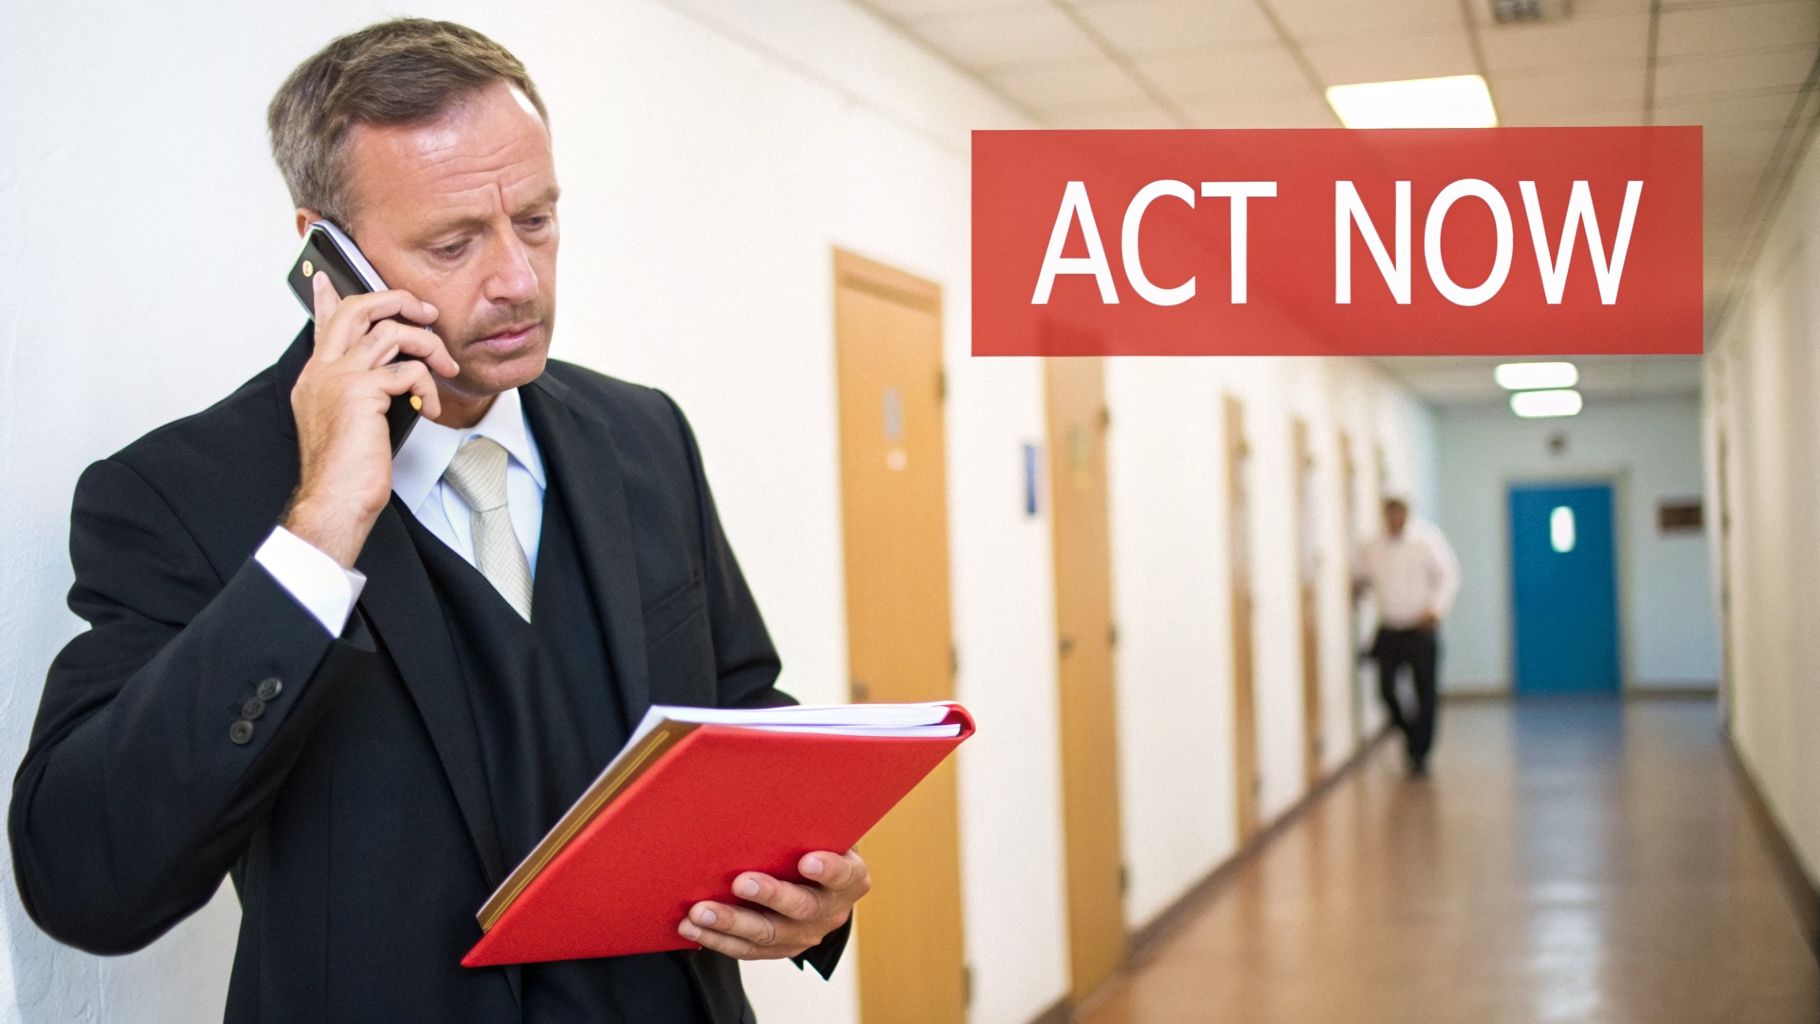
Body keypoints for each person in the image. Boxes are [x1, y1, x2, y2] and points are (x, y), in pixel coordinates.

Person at [8, 19, 863, 1022]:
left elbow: (740, 706)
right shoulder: (181, 493)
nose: (517, 280)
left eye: (536, 221)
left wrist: (810, 888)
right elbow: (89, 878)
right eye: (453, 242)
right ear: (326, 253)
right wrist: (322, 523)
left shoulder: (642, 435)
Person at [1353, 497, 1460, 777]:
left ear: (1406, 515)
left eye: (1399, 514)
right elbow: (1360, 576)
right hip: (1389, 628)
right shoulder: (1372, 548)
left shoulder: (1426, 541)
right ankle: (1411, 733)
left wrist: (1435, 609)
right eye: (1390, 515)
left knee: (1425, 692)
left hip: (1420, 628)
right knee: (1386, 690)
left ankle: (1419, 755)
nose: (1394, 520)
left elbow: (1449, 576)